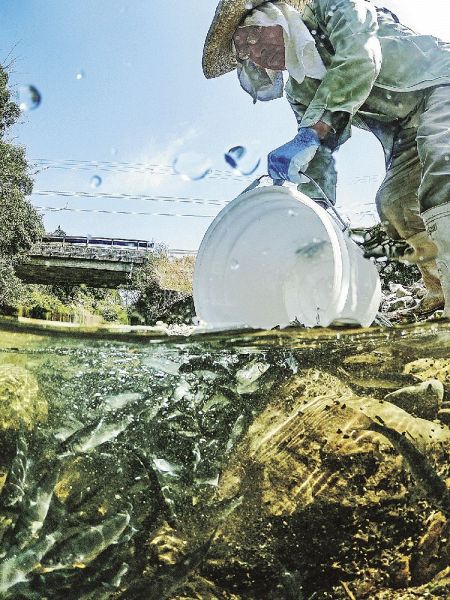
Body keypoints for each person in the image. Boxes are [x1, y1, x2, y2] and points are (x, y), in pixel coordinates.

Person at [202, 0, 450, 318]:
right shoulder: (300, 89)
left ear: (273, 18)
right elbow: (318, 153)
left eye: (252, 38)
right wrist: (306, 207)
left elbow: (361, 57)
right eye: (245, 54)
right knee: (395, 203)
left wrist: (313, 132)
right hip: (402, 129)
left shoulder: (334, 8)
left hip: (440, 82)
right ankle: (440, 287)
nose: (256, 54)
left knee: (442, 169)